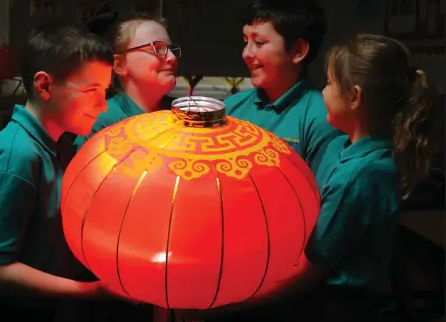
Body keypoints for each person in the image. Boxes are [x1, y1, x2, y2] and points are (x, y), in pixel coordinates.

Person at [186, 33, 439, 322]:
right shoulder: (362, 154)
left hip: (335, 307)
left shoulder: (357, 177)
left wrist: (225, 307)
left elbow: (310, 272)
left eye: (330, 84)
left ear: (355, 97)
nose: (323, 92)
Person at [0, 22, 117, 321]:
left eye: (105, 91)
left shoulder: (60, 145)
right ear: (44, 86)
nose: (103, 106)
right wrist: (92, 291)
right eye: (91, 90)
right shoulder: (17, 158)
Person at [223, 0, 342, 188]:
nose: (246, 53)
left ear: (297, 51)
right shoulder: (230, 108)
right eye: (246, 42)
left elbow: (319, 197)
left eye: (259, 43)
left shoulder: (322, 117)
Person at [74, 12, 181, 151]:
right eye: (158, 49)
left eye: (171, 49)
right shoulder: (101, 122)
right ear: (120, 65)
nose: (172, 57)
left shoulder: (182, 115)